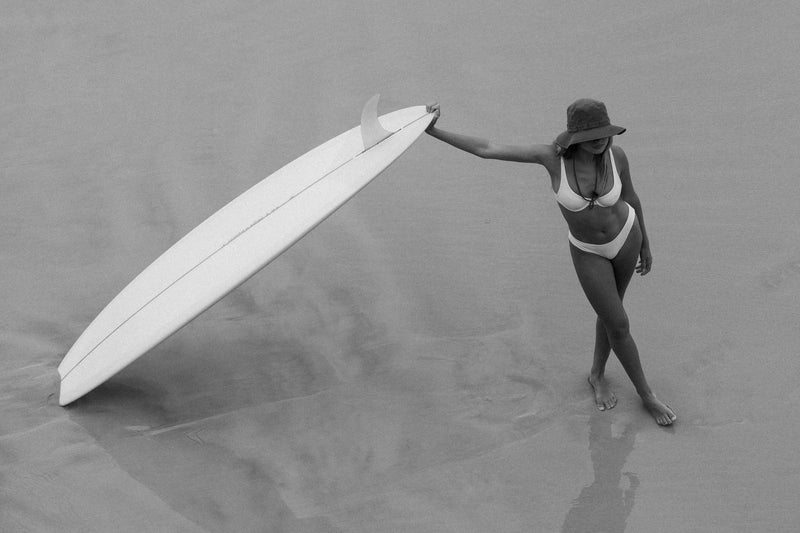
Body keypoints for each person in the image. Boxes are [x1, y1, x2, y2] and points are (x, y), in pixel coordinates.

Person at [425, 98, 676, 426]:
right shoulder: (551, 159)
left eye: (605, 132)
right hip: (590, 251)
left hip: (628, 238)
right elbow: (486, 148)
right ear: (575, 137)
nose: (601, 139)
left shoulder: (617, 156)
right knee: (618, 322)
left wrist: (646, 244)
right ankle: (647, 395)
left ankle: (597, 375)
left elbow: (631, 197)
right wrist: (432, 131)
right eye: (592, 135)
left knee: (611, 314)